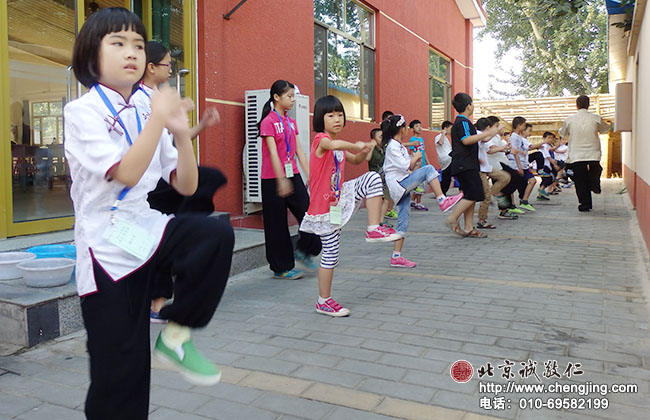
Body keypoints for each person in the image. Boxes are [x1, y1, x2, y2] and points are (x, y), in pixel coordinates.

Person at [64, 8, 234, 419]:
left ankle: (176, 335)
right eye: (118, 43)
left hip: (144, 228)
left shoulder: (145, 105)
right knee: (120, 370)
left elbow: (187, 186)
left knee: (212, 236)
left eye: (138, 45)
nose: (132, 53)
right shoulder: (82, 112)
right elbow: (125, 172)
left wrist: (179, 132)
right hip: (105, 248)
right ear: (91, 55)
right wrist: (160, 119)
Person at [134, 41, 227, 323]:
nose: (171, 68)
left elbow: (172, 142)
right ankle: (156, 303)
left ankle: (160, 301)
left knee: (208, 181)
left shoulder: (156, 99)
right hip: (141, 190)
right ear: (150, 67)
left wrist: (195, 126)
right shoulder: (138, 102)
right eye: (167, 64)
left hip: (160, 178)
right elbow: (152, 147)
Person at [299, 95, 401, 317]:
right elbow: (332, 144)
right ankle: (323, 301)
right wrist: (356, 144)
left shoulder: (337, 148)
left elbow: (354, 160)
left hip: (338, 200)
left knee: (372, 178)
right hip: (324, 209)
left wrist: (364, 151)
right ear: (320, 119)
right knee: (330, 254)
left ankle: (374, 228)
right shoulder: (321, 140)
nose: (337, 119)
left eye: (340, 114)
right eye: (331, 115)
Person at [257, 80, 321, 279]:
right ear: (276, 97)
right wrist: (280, 180)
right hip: (272, 178)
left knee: (310, 214)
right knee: (276, 225)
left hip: (292, 175)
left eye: (294, 96)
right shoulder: (268, 121)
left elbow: (299, 150)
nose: (293, 100)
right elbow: (273, 154)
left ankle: (304, 250)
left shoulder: (290, 122)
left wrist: (310, 175)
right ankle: (281, 267)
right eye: (289, 96)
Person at [382, 114, 463, 267]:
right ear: (402, 129)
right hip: (399, 185)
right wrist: (417, 156)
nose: (408, 130)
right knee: (429, 169)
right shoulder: (393, 145)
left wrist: (414, 160)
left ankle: (396, 256)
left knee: (403, 222)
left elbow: (408, 167)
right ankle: (442, 200)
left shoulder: (396, 145)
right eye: (406, 127)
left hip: (401, 185)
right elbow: (407, 166)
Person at [446, 93, 500, 238]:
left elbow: (477, 139)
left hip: (467, 164)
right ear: (469, 106)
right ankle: (452, 218)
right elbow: (467, 140)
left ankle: (469, 228)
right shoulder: (463, 121)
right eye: (472, 103)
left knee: (471, 195)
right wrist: (487, 133)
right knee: (475, 193)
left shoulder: (464, 122)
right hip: (465, 164)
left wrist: (491, 133)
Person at [559, 95, 610, 212]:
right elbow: (605, 129)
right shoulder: (595, 118)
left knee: (580, 180)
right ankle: (594, 183)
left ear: (576, 105)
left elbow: (562, 133)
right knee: (596, 170)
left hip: (576, 155)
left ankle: (584, 204)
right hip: (593, 152)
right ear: (588, 105)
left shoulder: (569, 119)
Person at [475, 118, 511, 229]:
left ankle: (492, 193)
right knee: (485, 197)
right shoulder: (478, 134)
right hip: (480, 169)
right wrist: (496, 131)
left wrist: (502, 148)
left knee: (505, 177)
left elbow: (489, 150)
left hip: (487, 167)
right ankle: (482, 220)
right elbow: (485, 140)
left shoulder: (484, 136)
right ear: (487, 128)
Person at [485, 115, 519, 220]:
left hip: (500, 163)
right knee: (514, 179)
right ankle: (494, 195)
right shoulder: (489, 136)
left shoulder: (496, 136)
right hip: (494, 164)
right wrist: (504, 149)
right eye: (497, 125)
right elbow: (490, 149)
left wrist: (506, 149)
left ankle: (504, 209)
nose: (499, 127)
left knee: (508, 183)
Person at [366, 128, 395, 229]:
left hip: (385, 177)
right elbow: (367, 159)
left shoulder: (385, 148)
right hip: (375, 179)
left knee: (386, 199)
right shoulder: (372, 149)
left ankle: (381, 220)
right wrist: (371, 146)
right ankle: (376, 221)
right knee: (377, 200)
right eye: (380, 137)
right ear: (373, 139)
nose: (382, 139)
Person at [507, 117, 537, 212]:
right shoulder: (514, 137)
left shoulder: (519, 137)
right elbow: (515, 152)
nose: (525, 127)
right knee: (512, 185)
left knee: (532, 180)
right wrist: (519, 167)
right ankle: (511, 205)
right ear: (519, 126)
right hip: (516, 165)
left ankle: (524, 201)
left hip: (523, 164)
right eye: (524, 125)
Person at [407, 119, 428, 210]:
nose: (419, 128)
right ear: (412, 129)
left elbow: (424, 151)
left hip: (423, 163)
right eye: (416, 126)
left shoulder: (421, 139)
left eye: (420, 125)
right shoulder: (412, 140)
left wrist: (428, 162)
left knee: (421, 183)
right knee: (420, 184)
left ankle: (412, 201)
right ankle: (418, 202)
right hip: (417, 165)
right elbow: (411, 153)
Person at [435, 121, 453, 194]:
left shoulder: (446, 137)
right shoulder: (439, 136)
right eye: (450, 128)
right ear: (445, 128)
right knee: (446, 178)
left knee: (447, 178)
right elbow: (440, 142)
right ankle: (441, 193)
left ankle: (442, 193)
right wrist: (443, 133)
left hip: (448, 158)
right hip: (445, 158)